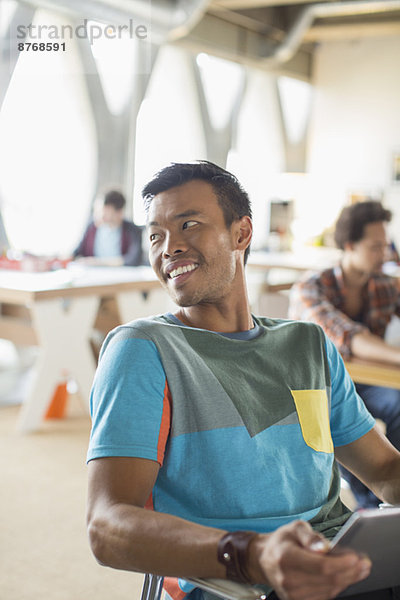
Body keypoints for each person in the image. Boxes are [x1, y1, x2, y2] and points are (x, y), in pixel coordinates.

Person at [86, 163, 400, 600]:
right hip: (233, 580)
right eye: (155, 235)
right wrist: (253, 554)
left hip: (344, 567)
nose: (168, 247)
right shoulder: (143, 348)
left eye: (188, 225)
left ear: (241, 234)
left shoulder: (308, 344)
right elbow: (107, 524)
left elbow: (385, 470)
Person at [289, 200, 400, 509]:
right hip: (317, 386)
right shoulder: (310, 288)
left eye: (387, 246)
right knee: (340, 418)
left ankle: (392, 494)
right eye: (376, 247)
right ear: (350, 245)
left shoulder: (384, 286)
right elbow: (349, 338)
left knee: (397, 403)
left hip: (363, 383)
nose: (386, 254)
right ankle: (368, 504)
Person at [73, 189, 144, 266]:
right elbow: (77, 252)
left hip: (121, 275)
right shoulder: (91, 227)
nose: (97, 214)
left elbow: (134, 259)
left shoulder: (132, 229)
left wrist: (98, 262)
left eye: (102, 209)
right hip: (92, 275)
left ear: (119, 212)